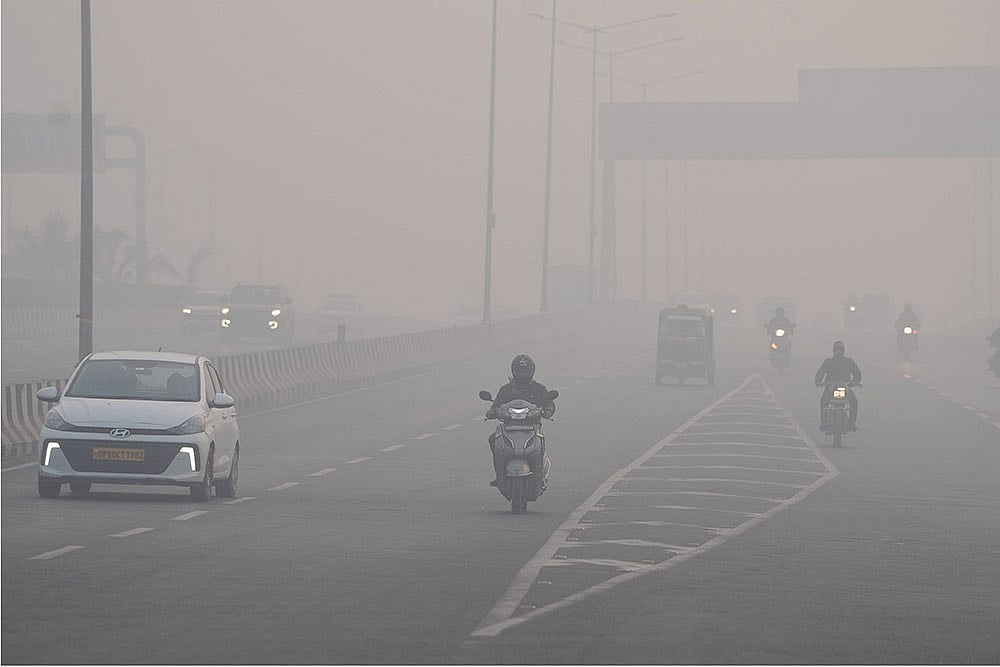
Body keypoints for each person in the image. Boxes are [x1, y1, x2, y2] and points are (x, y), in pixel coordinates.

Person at [485, 354, 555, 486]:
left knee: (540, 442)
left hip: (531, 427)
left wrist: (548, 411)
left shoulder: (538, 389)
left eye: (526, 370)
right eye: (520, 370)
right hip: (509, 427)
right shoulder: (506, 389)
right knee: (493, 438)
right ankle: (499, 473)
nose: (523, 374)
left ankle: (539, 475)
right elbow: (497, 404)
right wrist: (492, 412)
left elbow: (548, 402)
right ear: (514, 371)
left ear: (532, 371)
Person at [815, 341, 863, 431]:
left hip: (846, 387)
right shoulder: (828, 361)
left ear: (843, 351)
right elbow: (820, 372)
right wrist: (818, 381)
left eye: (840, 350)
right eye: (837, 350)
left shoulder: (849, 361)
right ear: (834, 351)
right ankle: (824, 422)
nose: (839, 352)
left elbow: (857, 374)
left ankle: (852, 423)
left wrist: (854, 382)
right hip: (830, 387)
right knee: (824, 401)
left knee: (854, 401)